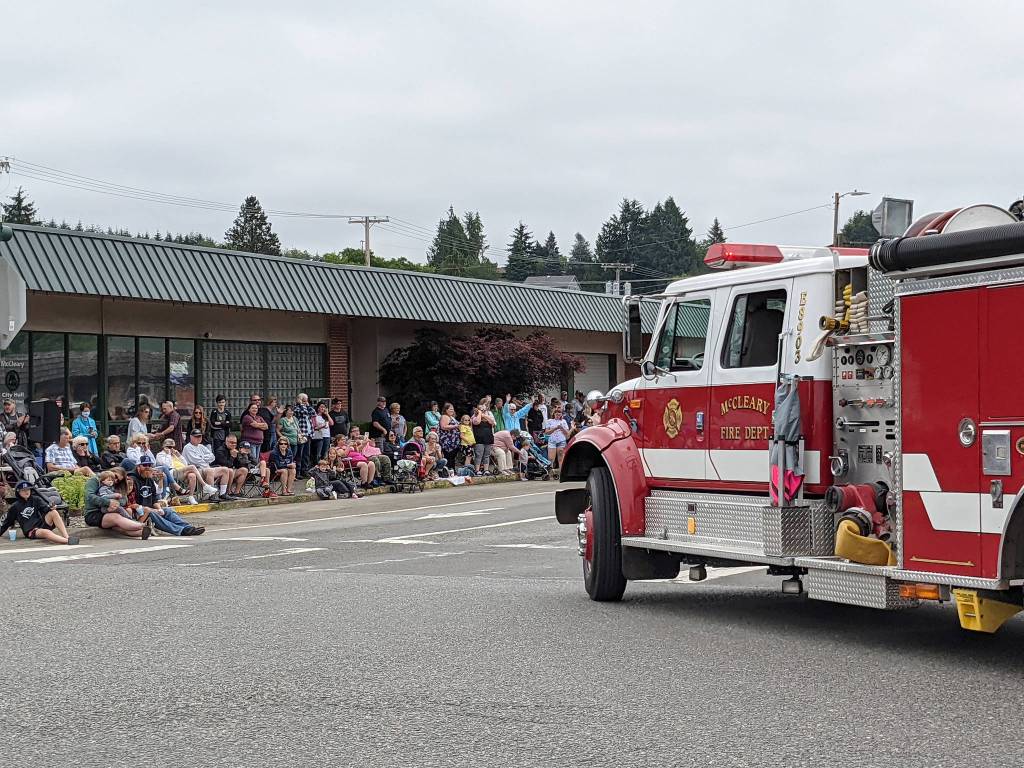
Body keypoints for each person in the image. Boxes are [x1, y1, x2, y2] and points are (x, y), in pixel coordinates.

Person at [129, 456, 204, 536]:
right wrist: (151, 510)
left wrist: (159, 508)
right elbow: (131, 504)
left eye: (149, 465)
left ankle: (188, 527)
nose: (147, 468)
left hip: (150, 509)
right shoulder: (131, 480)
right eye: (144, 465)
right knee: (152, 513)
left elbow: (154, 500)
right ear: (138, 467)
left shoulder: (149, 480)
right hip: (139, 513)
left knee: (168, 511)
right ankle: (181, 530)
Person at [1, 480, 79, 544]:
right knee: (46, 532)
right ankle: (68, 541)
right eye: (23, 490)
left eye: (28, 489)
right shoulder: (15, 506)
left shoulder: (36, 499)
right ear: (18, 492)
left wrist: (51, 508)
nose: (26, 492)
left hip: (41, 524)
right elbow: (7, 522)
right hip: (31, 530)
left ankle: (66, 536)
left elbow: (45, 508)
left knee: (54, 512)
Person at [83, 469, 149, 539]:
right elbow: (89, 496)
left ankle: (141, 532)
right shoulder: (95, 480)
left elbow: (123, 501)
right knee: (115, 517)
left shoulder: (113, 485)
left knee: (119, 526)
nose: (115, 480)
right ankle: (141, 525)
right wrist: (108, 502)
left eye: (118, 480)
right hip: (94, 513)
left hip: (109, 511)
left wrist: (115, 502)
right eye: (116, 477)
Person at [181, 429, 235, 501]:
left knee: (225, 469)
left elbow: (212, 457)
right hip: (195, 470)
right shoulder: (187, 447)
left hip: (205, 468)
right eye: (196, 436)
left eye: (200, 436)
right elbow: (196, 461)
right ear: (191, 437)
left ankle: (223, 493)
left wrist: (202, 457)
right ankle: (212, 495)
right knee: (210, 470)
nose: (199, 438)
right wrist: (205, 459)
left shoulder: (201, 446)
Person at [156, 438, 213, 504]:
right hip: (172, 473)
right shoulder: (160, 455)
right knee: (192, 466)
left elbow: (185, 464)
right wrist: (168, 454)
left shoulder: (175, 455)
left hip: (182, 472)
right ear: (164, 447)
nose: (171, 449)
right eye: (169, 447)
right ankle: (205, 485)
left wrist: (179, 456)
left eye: (173, 447)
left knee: (192, 475)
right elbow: (167, 466)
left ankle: (190, 497)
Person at [293, 393, 315, 478]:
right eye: (304, 399)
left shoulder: (308, 407)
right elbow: (303, 412)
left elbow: (313, 413)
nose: (306, 401)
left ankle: (305, 470)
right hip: (301, 434)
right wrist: (301, 404)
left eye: (306, 399)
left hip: (308, 434)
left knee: (306, 454)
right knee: (300, 454)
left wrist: (308, 405)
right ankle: (298, 471)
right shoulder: (296, 408)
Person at [471, 400, 496, 473]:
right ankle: (477, 470)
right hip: (479, 439)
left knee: (487, 455)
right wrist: (479, 413)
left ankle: (486, 470)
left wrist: (484, 415)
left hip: (488, 438)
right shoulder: (474, 416)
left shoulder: (488, 415)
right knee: (479, 455)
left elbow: (492, 422)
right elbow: (477, 422)